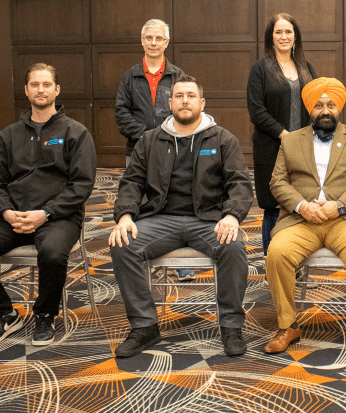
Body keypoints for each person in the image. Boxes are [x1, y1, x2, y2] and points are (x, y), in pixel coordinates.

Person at [109, 77, 254, 358]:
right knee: (121, 242)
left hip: (209, 220)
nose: (184, 100)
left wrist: (233, 216)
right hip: (161, 218)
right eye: (179, 96)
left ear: (201, 103)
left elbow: (239, 183)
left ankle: (231, 326)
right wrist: (125, 215)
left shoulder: (223, 139)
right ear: (170, 103)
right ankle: (144, 326)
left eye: (190, 96)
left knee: (233, 246)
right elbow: (131, 182)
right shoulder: (150, 140)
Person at [0, 63, 96, 347]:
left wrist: (45, 213)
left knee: (53, 254)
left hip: (58, 218)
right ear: (26, 90)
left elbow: (81, 185)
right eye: (34, 85)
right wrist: (6, 212)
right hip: (13, 217)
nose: (40, 90)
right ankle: (5, 314)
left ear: (56, 90)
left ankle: (45, 315)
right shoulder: (9, 135)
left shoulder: (75, 133)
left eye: (46, 84)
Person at [263, 78, 346, 354]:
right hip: (301, 219)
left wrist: (340, 205)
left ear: (339, 107)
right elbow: (277, 182)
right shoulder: (291, 140)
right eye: (318, 105)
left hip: (345, 218)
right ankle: (287, 326)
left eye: (330, 105)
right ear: (310, 109)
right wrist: (303, 206)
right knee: (276, 253)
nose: (325, 110)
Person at [115, 19, 193, 281]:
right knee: (137, 200)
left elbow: (184, 109)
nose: (153, 43)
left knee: (175, 199)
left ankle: (183, 264)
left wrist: (165, 136)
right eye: (149, 38)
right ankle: (143, 257)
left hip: (174, 149)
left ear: (167, 42)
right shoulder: (130, 76)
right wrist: (147, 137)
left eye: (159, 38)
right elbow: (121, 112)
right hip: (137, 148)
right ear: (142, 40)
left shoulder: (178, 75)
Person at [247, 13, 315, 256]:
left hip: (304, 151)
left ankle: (296, 264)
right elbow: (257, 111)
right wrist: (285, 135)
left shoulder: (307, 68)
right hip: (271, 150)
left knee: (302, 205)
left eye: (288, 32)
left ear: (295, 36)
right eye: (278, 32)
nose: (284, 36)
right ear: (271, 37)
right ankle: (271, 265)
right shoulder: (260, 69)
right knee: (274, 207)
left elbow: (317, 104)